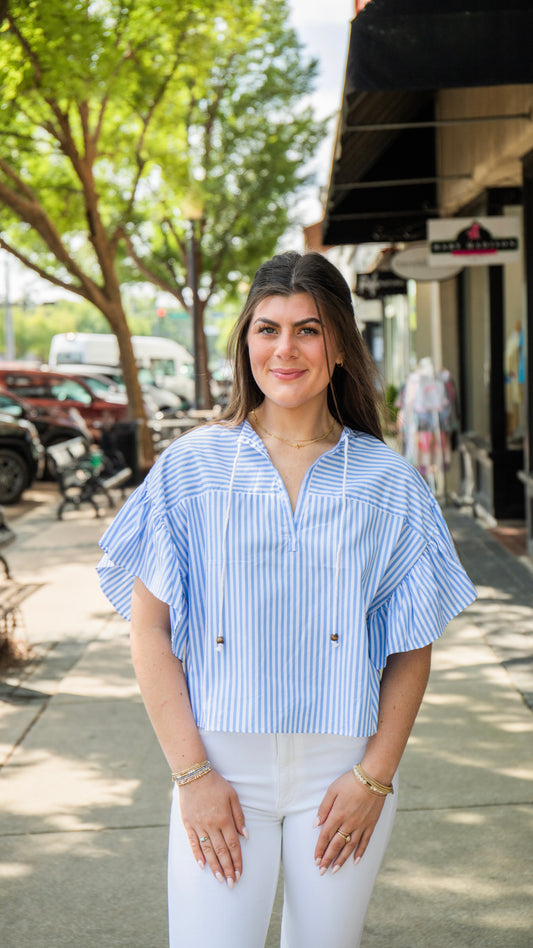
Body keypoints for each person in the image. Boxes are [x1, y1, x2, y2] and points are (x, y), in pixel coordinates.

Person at [97, 251, 476, 948]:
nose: (285, 348)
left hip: (342, 772)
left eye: (307, 329)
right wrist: (192, 774)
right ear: (246, 343)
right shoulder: (192, 469)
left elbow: (410, 648)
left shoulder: (389, 483)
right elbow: (150, 632)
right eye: (267, 328)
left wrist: (374, 777)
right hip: (217, 763)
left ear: (338, 346)